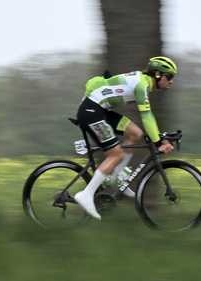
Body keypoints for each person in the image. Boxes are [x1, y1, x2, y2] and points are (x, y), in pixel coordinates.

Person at [70, 56, 178, 219]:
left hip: (100, 109)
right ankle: (86, 194)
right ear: (157, 74)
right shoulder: (142, 85)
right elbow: (147, 116)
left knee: (136, 133)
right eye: (169, 77)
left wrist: (157, 137)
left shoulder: (143, 81)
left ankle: (117, 177)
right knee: (116, 154)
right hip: (92, 112)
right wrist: (158, 141)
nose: (171, 82)